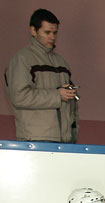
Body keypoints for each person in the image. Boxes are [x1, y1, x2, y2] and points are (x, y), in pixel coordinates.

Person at [5, 9, 78, 143]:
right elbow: (19, 97)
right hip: (35, 140)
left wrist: (73, 135)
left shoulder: (62, 63)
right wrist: (57, 95)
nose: (52, 37)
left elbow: (72, 107)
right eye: (47, 32)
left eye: (55, 33)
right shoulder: (22, 59)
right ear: (33, 31)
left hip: (65, 141)